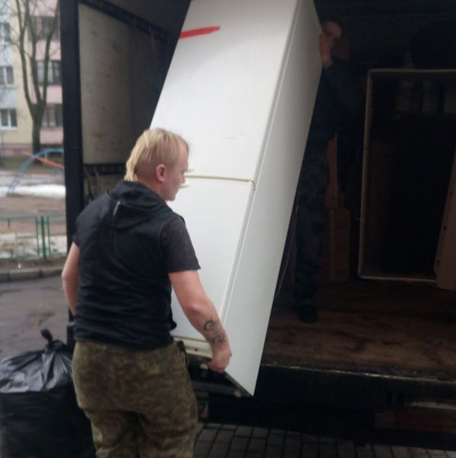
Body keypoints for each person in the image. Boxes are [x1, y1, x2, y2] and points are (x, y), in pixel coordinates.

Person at [62, 128, 232, 458]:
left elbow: (69, 276)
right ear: (161, 173)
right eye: (182, 172)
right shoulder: (167, 224)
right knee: (170, 441)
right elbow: (194, 304)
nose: (183, 180)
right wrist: (220, 345)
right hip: (146, 362)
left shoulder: (93, 212)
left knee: (113, 447)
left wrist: (90, 325)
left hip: (90, 363)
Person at [295, 18, 361, 323]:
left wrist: (327, 62)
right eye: (326, 34)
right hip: (278, 147)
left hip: (312, 154)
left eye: (335, 39)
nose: (330, 41)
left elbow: (352, 105)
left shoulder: (338, 71)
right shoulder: (291, 62)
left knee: (311, 226)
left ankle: (305, 299)